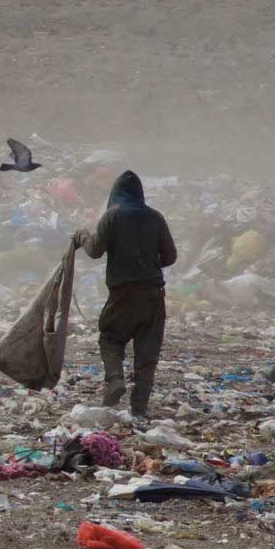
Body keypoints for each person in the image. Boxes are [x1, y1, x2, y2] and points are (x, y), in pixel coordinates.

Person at [74, 170, 177, 418]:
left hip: (122, 293)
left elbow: (95, 251)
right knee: (147, 352)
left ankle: (115, 380)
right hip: (153, 293)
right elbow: (170, 257)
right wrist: (146, 266)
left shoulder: (112, 216)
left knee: (110, 338)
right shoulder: (155, 217)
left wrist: (82, 236)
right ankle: (139, 408)